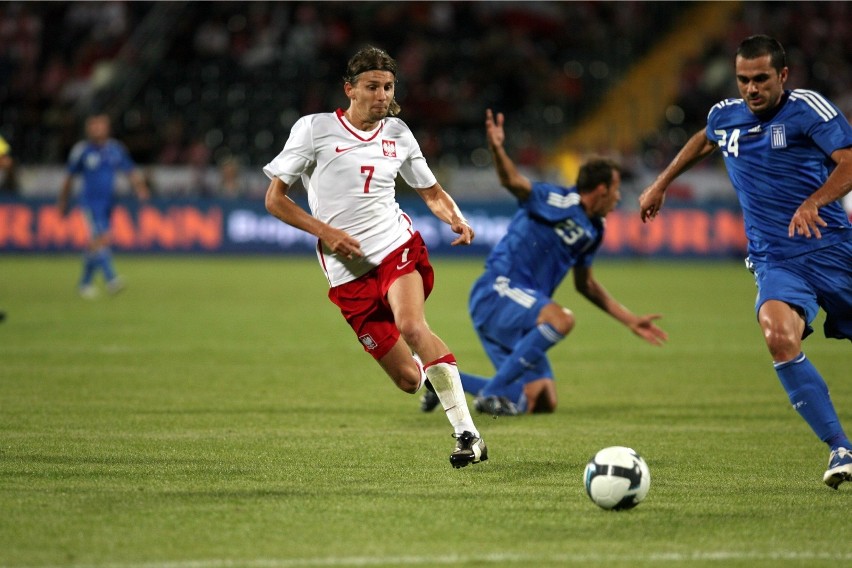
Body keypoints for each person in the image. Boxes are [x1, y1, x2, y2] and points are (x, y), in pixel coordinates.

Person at [638, 35, 852, 489]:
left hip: (833, 249)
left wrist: (815, 200)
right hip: (777, 259)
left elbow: (849, 161)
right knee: (778, 337)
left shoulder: (808, 109)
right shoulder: (725, 115)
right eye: (743, 80)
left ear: (783, 76)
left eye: (761, 79)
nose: (751, 89)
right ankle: (840, 447)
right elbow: (703, 139)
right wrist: (660, 184)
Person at [263, 45, 486, 468]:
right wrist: (325, 231)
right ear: (350, 89)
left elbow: (431, 192)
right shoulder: (314, 130)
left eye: (388, 86)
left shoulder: (398, 134)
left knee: (412, 325)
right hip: (347, 274)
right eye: (372, 86)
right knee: (407, 380)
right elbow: (275, 200)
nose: (382, 95)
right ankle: (439, 379)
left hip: (395, 247)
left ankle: (468, 435)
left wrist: (454, 218)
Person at [421, 109, 668, 417]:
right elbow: (512, 181)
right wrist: (497, 148)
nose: (619, 199)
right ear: (602, 189)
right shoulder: (556, 201)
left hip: (523, 308)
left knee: (542, 400)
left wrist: (629, 319)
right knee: (561, 319)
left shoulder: (594, 230)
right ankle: (492, 393)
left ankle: (439, 382)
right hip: (498, 291)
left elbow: (586, 284)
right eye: (616, 190)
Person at [58, 114, 150, 299]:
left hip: (108, 203)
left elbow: (130, 170)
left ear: (107, 128)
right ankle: (111, 278)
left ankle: (84, 283)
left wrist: (140, 188)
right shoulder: (82, 150)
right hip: (89, 203)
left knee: (95, 243)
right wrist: (63, 200)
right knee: (102, 238)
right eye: (93, 126)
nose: (96, 129)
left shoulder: (115, 149)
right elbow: (69, 178)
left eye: (100, 126)